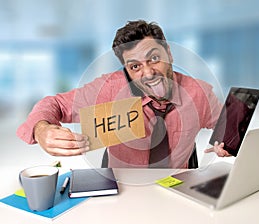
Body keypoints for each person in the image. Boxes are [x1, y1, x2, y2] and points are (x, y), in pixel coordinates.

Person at [17, 20, 230, 168]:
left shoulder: (199, 92)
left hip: (179, 187)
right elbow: (55, 104)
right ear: (126, 69)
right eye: (135, 66)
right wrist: (41, 129)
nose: (148, 73)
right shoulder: (109, 89)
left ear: (170, 54)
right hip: (123, 187)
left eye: (154, 58)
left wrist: (228, 143)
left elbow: (227, 127)